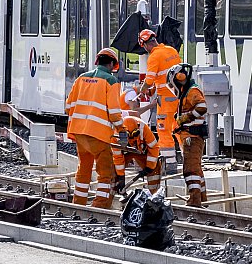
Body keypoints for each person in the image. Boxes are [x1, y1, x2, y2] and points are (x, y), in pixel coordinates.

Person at [65, 47, 127, 208]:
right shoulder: (111, 81)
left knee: (84, 169)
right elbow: (114, 112)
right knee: (106, 173)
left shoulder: (81, 78)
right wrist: (122, 130)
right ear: (113, 64)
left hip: (79, 132)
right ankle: (100, 207)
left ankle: (78, 204)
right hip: (98, 134)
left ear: (97, 61)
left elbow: (68, 106)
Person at [168, 63, 209, 206]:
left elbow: (202, 107)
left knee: (190, 169)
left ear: (178, 79)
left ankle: (194, 201)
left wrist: (186, 117)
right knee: (196, 168)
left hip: (192, 137)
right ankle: (202, 199)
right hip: (191, 136)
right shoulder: (187, 92)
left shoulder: (192, 91)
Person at [139, 28, 182, 138]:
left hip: (166, 98)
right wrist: (153, 88)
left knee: (164, 130)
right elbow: (168, 74)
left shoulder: (154, 56)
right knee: (178, 128)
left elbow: (149, 80)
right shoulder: (171, 50)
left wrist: (143, 89)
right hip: (179, 95)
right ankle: (184, 153)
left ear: (145, 44)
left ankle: (167, 155)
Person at [116, 113, 163, 193]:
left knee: (155, 168)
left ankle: (154, 195)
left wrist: (149, 167)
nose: (132, 138)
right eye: (128, 135)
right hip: (124, 154)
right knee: (112, 170)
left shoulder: (143, 128)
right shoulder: (116, 133)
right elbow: (117, 157)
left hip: (141, 152)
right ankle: (114, 193)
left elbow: (154, 147)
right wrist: (121, 176)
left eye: (135, 134)